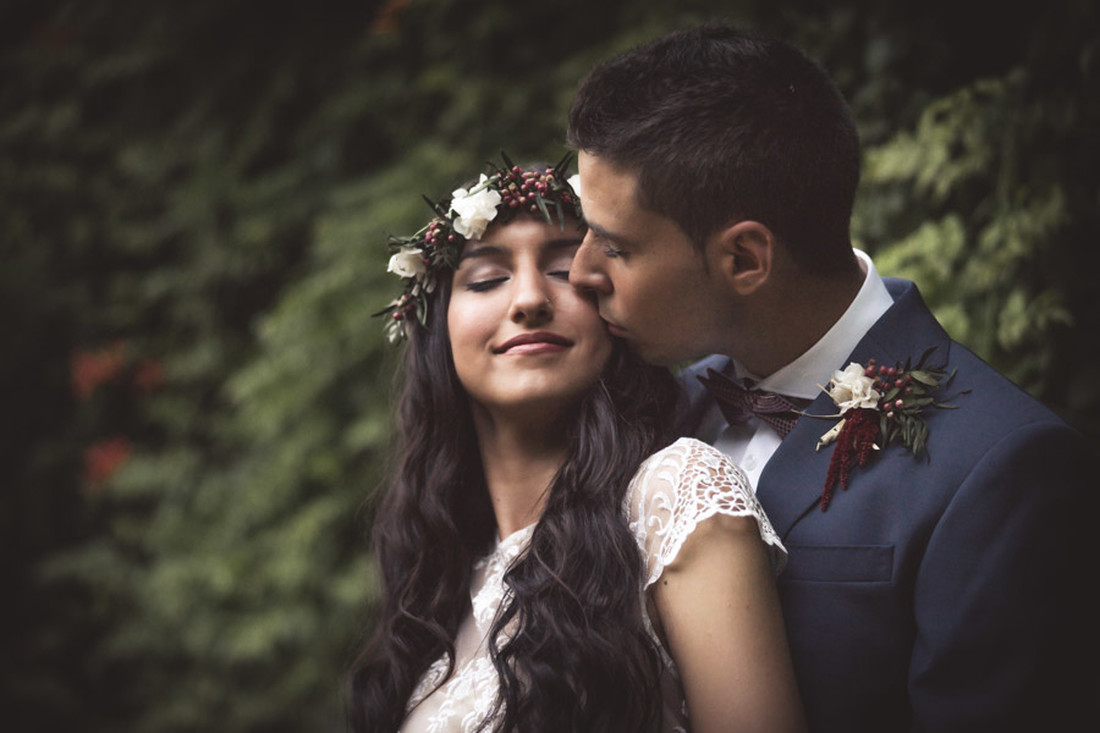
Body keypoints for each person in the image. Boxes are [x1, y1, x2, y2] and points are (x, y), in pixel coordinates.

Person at [566, 23, 1094, 733]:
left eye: (617, 246)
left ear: (746, 259)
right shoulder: (652, 408)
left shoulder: (1002, 468)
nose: (580, 272)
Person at [348, 155, 806, 732]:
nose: (529, 300)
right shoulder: (441, 578)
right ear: (439, 332)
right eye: (487, 279)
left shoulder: (673, 495)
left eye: (564, 272)